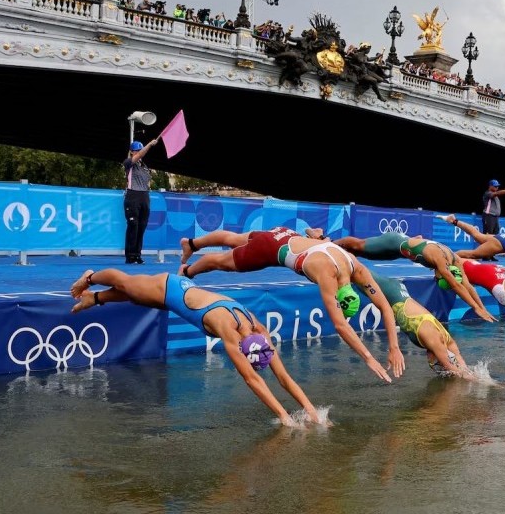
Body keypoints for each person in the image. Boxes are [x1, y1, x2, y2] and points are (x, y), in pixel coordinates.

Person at [69, 269, 323, 427]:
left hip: (181, 295)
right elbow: (251, 379)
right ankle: (90, 277)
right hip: (169, 287)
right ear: (243, 348)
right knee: (126, 284)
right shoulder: (228, 331)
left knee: (136, 296)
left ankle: (95, 299)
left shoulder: (260, 331)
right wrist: (283, 416)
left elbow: (283, 376)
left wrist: (311, 410)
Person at [180, 229, 407, 383]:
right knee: (222, 262)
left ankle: (192, 243)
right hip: (270, 250)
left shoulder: (355, 266)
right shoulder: (326, 274)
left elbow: (385, 307)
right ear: (338, 293)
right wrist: (368, 357)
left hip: (285, 234)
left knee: (234, 238)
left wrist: (394, 348)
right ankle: (187, 271)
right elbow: (340, 326)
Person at [308, 229, 496, 322]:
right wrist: (475, 307)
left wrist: (481, 307)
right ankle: (323, 240)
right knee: (356, 246)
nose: (437, 278)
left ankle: (326, 245)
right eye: (440, 278)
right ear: (443, 273)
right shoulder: (440, 260)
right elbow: (456, 285)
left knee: (355, 255)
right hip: (393, 243)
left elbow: (467, 285)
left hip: (402, 250)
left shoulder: (454, 259)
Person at [370, 272, 476, 380]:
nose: (431, 364)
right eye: (434, 364)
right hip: (392, 291)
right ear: (437, 356)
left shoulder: (449, 342)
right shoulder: (434, 341)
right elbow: (450, 367)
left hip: (397, 291)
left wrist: (470, 374)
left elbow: (462, 366)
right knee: (356, 269)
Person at [123, 138, 159, 264]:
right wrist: (149, 144)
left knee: (142, 226)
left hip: (144, 196)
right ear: (132, 152)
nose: (138, 152)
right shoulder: (129, 163)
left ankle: (137, 255)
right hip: (133, 196)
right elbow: (140, 155)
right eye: (136, 150)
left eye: (139, 149)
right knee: (133, 225)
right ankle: (130, 255)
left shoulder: (144, 167)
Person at [481, 179, 505, 255]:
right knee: (487, 236)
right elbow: (498, 193)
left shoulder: (495, 195)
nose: (496, 188)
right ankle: (484, 255)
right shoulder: (487, 194)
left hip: (495, 217)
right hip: (489, 216)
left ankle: (491, 255)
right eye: (495, 186)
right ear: (490, 186)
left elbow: (497, 193)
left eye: (497, 186)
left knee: (495, 236)